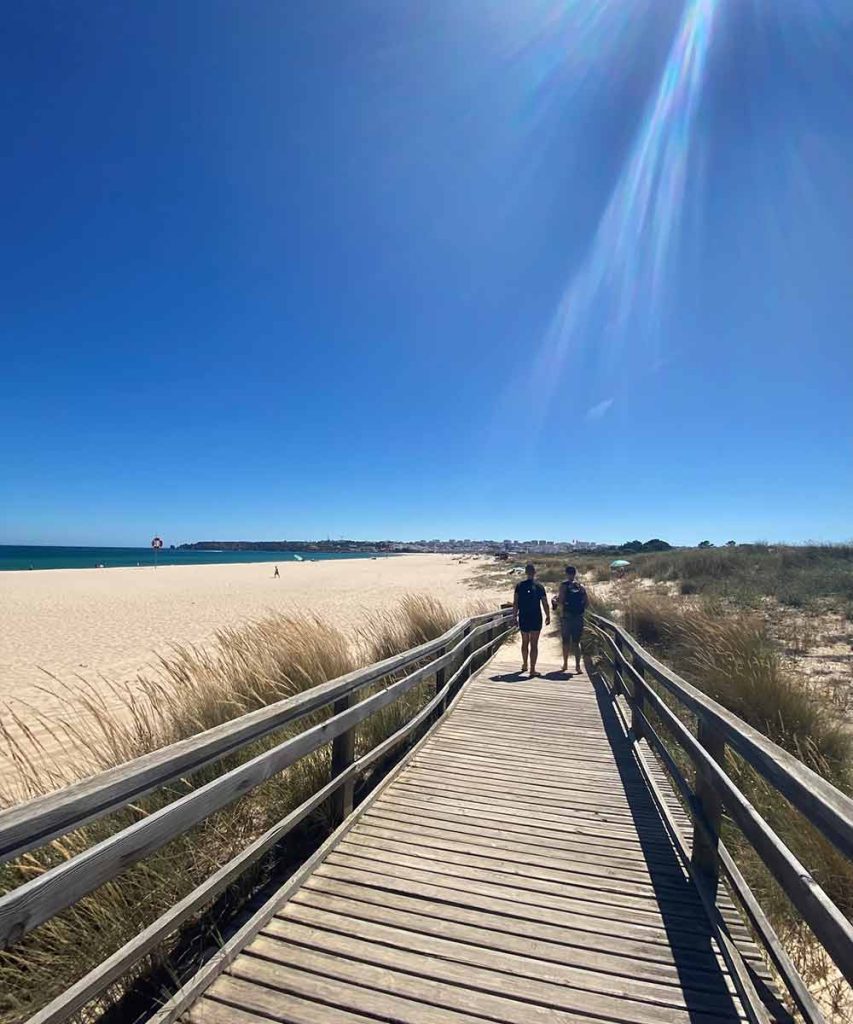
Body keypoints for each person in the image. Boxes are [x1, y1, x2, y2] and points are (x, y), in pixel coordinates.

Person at [513, 563, 550, 676]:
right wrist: (548, 615)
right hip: (536, 617)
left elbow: (516, 603)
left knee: (525, 642)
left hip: (524, 616)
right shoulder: (539, 586)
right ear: (534, 572)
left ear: (525, 572)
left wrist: (514, 616)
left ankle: (525, 664)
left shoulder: (519, 585)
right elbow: (544, 603)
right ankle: (532, 669)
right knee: (534, 643)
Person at [557, 565, 587, 674]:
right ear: (575, 573)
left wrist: (556, 601)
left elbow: (560, 601)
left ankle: (565, 664)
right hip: (578, 617)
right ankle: (578, 667)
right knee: (576, 642)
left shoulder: (564, 586)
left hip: (567, 617)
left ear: (566, 573)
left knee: (566, 641)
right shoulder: (581, 586)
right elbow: (586, 602)